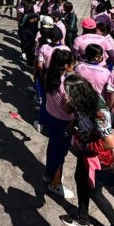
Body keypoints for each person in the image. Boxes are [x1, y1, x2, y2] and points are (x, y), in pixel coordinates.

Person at [60, 74, 114, 226]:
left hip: (96, 157)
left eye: (70, 93)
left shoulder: (98, 109)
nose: (68, 96)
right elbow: (66, 110)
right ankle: (82, 218)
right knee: (80, 180)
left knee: (95, 191)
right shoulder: (81, 101)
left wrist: (89, 142)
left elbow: (110, 143)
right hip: (85, 151)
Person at [42, 49, 76, 199]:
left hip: (51, 115)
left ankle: (48, 173)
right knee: (61, 153)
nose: (74, 67)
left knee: (52, 146)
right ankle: (55, 184)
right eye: (73, 65)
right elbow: (68, 108)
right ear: (66, 66)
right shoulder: (65, 85)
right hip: (63, 121)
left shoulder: (49, 74)